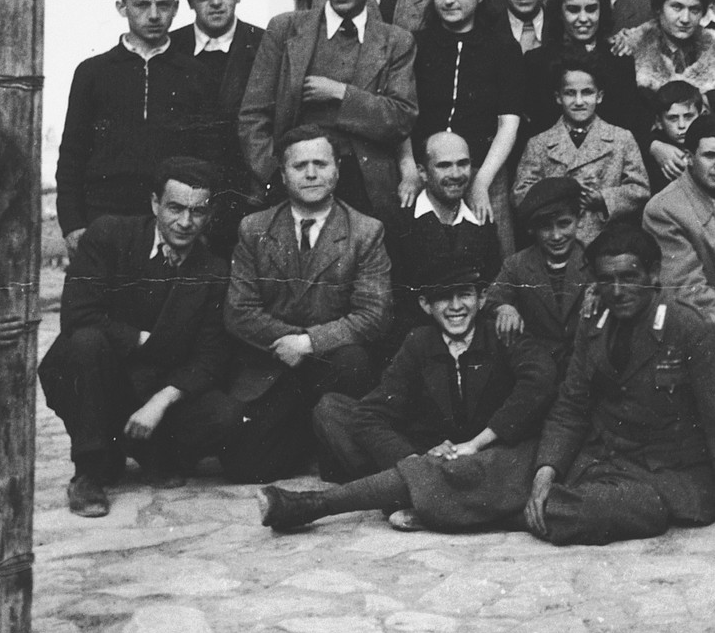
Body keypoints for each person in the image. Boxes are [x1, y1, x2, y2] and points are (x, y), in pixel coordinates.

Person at [522, 223, 715, 544]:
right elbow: (571, 406)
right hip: (604, 458)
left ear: (654, 275)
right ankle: (540, 501)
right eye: (606, 279)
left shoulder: (687, 328)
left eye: (628, 277)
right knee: (507, 472)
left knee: (587, 509)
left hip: (666, 477)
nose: (617, 290)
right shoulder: (594, 320)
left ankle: (539, 508)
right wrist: (545, 475)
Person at [261, 260, 556, 534]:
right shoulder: (420, 342)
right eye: (443, 297)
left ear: (481, 299)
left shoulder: (501, 334)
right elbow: (372, 413)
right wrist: (415, 460)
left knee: (509, 461)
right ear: (426, 305)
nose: (455, 307)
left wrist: (476, 444)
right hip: (433, 455)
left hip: (486, 454)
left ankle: (329, 503)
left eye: (464, 295)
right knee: (332, 411)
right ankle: (421, 493)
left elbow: (540, 381)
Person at [39, 157, 245, 516]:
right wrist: (143, 340)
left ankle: (154, 453)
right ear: (154, 203)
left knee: (224, 415)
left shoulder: (213, 270)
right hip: (102, 378)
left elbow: (211, 356)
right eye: (175, 208)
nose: (185, 222)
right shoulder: (109, 235)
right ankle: (91, 470)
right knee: (85, 343)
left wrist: (160, 402)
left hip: (157, 387)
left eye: (197, 212)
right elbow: (78, 314)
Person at [224, 125, 394, 480]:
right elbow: (239, 312)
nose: (312, 173)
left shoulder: (365, 231)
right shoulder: (254, 229)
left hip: (331, 367)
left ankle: (332, 442)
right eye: (300, 166)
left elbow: (374, 315)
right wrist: (291, 345)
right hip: (275, 363)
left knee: (354, 359)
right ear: (283, 175)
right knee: (248, 467)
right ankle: (300, 441)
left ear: (337, 170)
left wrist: (307, 343)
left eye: (321, 163)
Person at [238, 0, 417, 220]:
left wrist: (341, 93)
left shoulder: (396, 41)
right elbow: (253, 116)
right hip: (295, 180)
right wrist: (275, 174)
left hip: (365, 185)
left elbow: (401, 119)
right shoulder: (285, 30)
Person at [56, 0, 210, 254]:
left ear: (176, 7)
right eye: (141, 5)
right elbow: (72, 155)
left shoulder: (195, 74)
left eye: (163, 5)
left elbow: (207, 155)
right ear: (121, 6)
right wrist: (73, 223)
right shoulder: (93, 72)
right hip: (102, 216)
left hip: (172, 220)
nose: (154, 15)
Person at [402, 0, 526, 250]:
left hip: (485, 170)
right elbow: (403, 113)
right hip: (425, 172)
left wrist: (482, 180)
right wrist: (408, 167)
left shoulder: (503, 48)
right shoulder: (416, 45)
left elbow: (508, 123)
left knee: (496, 253)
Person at [168, 0, 266, 255]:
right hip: (188, 206)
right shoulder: (172, 49)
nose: (215, 2)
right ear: (190, 3)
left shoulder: (265, 44)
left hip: (250, 198)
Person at [513, 53, 651, 247]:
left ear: (599, 96)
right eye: (570, 93)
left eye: (587, 92)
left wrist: (603, 198)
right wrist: (565, 190)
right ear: (558, 97)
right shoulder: (539, 143)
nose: (579, 101)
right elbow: (521, 195)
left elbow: (640, 190)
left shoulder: (621, 138)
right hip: (556, 242)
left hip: (607, 241)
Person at [384, 130, 503, 346]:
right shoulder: (397, 222)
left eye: (463, 164)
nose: (456, 174)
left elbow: (490, 286)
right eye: (444, 165)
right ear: (422, 172)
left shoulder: (482, 223)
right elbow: (395, 302)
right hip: (414, 343)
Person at [643, 114, 715, 327]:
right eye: (710, 155)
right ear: (689, 157)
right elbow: (687, 291)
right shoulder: (663, 209)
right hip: (708, 324)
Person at [523, 0, 645, 141]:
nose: (583, 18)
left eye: (591, 9)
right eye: (573, 10)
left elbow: (630, 125)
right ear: (559, 11)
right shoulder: (537, 62)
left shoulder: (619, 59)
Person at [487, 176, 594, 360]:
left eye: (564, 224)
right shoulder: (517, 265)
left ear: (579, 219)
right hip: (540, 362)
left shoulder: (594, 260)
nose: (556, 236)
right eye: (545, 227)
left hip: (586, 358)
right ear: (532, 229)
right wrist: (504, 308)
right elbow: (491, 299)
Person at [626, 0, 715, 121]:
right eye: (677, 7)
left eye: (695, 10)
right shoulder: (631, 52)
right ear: (658, 8)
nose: (685, 19)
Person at [641, 79, 704, 195]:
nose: (682, 126)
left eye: (688, 116)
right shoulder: (651, 152)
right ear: (659, 122)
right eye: (673, 118)